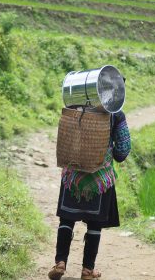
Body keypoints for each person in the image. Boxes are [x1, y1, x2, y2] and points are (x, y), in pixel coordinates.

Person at [48, 110, 131, 280]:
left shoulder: (74, 106)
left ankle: (60, 263)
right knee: (95, 224)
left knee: (66, 219)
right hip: (99, 178)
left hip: (73, 175)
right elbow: (122, 150)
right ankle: (87, 270)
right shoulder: (115, 114)